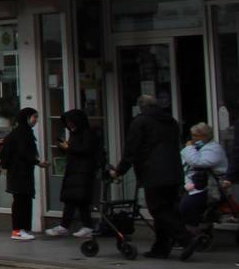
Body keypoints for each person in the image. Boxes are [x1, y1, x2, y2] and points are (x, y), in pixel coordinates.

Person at [110, 94, 185, 259]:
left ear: (141, 107)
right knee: (167, 208)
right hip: (174, 171)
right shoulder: (171, 121)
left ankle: (185, 238)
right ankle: (161, 247)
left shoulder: (141, 122)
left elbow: (131, 149)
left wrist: (119, 170)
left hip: (153, 172)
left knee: (158, 209)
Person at [49, 108, 102, 239]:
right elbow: (74, 150)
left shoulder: (87, 133)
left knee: (78, 199)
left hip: (83, 171)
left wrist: (69, 148)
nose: (69, 125)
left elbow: (86, 150)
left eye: (70, 122)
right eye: (67, 123)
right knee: (74, 199)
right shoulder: (75, 134)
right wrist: (64, 148)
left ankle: (73, 226)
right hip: (73, 170)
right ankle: (76, 226)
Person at [179, 122, 230, 233]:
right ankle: (192, 230)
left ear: (206, 136)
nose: (193, 138)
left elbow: (198, 162)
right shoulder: (198, 147)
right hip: (194, 185)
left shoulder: (214, 149)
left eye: (197, 135)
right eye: (192, 135)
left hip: (211, 187)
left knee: (187, 205)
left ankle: (194, 231)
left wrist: (189, 148)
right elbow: (184, 161)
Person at [0, 106, 42, 240]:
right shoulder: (22, 134)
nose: (36, 120)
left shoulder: (21, 132)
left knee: (24, 200)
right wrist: (37, 162)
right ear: (27, 118)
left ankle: (22, 229)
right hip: (19, 173)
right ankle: (17, 230)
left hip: (20, 172)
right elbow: (24, 152)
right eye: (34, 117)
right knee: (21, 201)